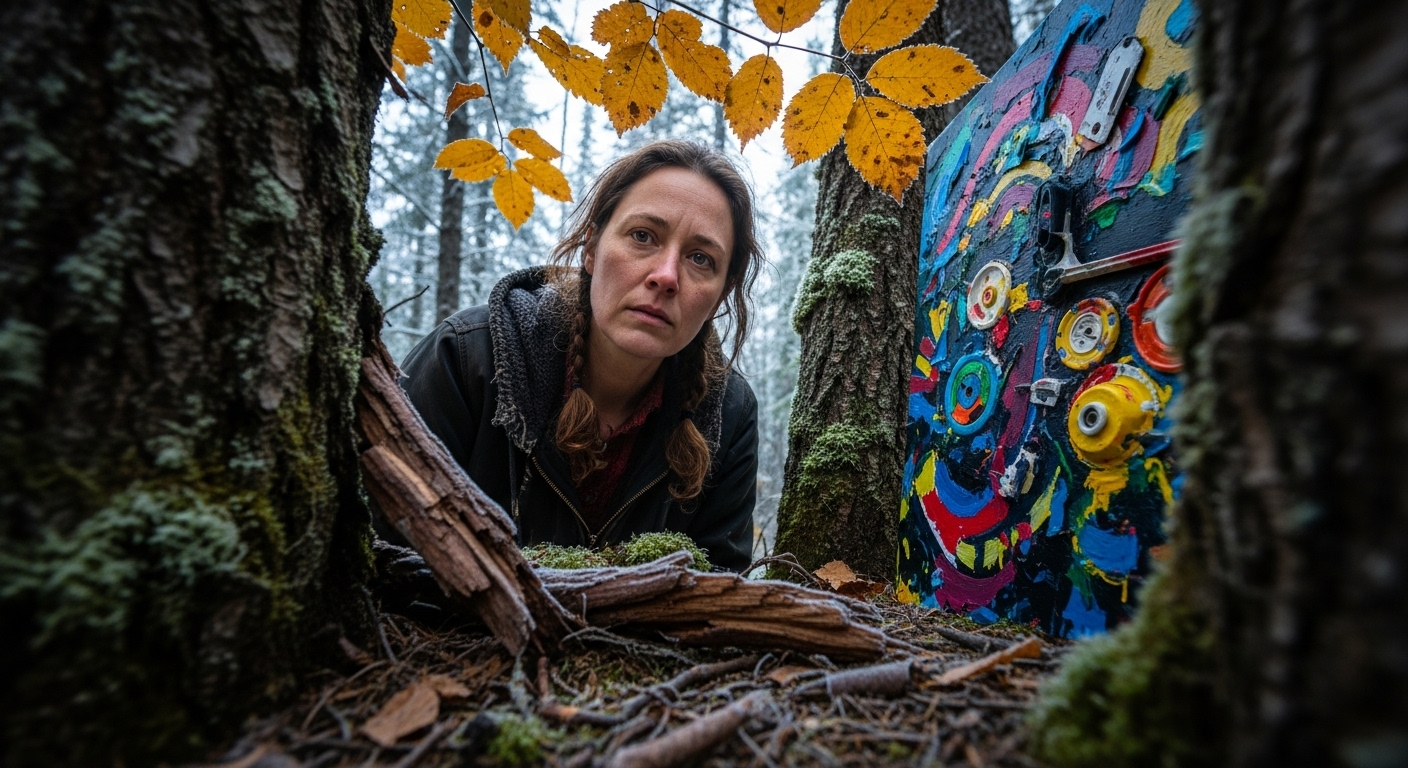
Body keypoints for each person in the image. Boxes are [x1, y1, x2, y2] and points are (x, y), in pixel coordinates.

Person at [399, 141, 762, 572]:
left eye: (701, 259)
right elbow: (389, 551)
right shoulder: (467, 358)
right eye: (643, 236)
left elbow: (718, 595)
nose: (666, 276)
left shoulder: (729, 413)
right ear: (591, 248)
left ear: (721, 294)